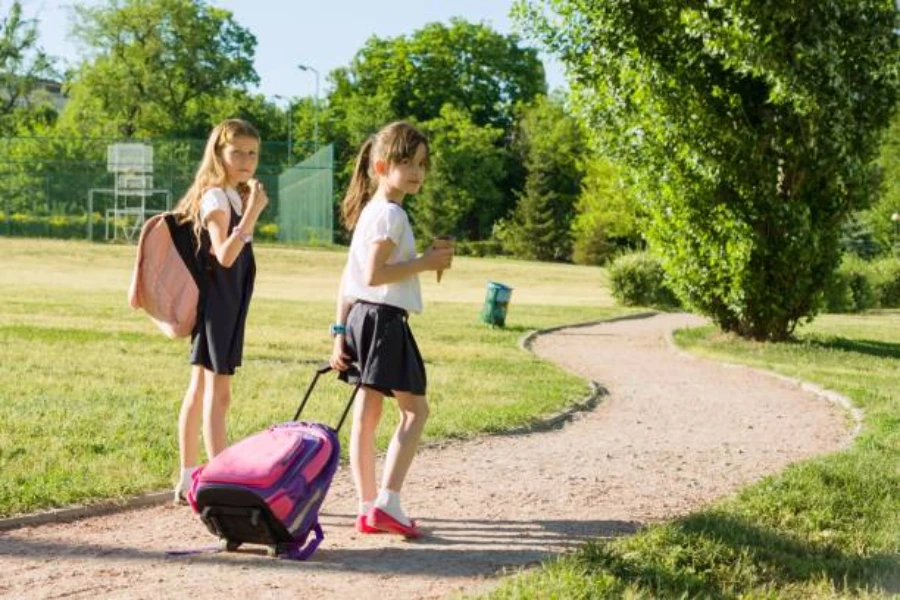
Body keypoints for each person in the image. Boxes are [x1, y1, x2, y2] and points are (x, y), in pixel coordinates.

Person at [329, 121, 452, 538]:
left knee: (367, 415)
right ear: (382, 166)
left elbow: (349, 280)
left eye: (421, 163)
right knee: (415, 410)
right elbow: (375, 273)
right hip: (384, 321)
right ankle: (388, 502)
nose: (417, 171)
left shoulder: (371, 211)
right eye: (406, 162)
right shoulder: (391, 213)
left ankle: (367, 507)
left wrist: (339, 331)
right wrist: (427, 262)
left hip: (363, 318)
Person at [172, 119, 269, 504]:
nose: (246, 160)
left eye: (253, 153)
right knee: (217, 392)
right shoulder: (216, 198)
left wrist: (246, 206)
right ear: (218, 154)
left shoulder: (231, 194)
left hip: (225, 301)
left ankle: (188, 476)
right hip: (219, 303)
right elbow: (225, 255)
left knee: (199, 387)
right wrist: (253, 213)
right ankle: (219, 477)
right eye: (237, 152)